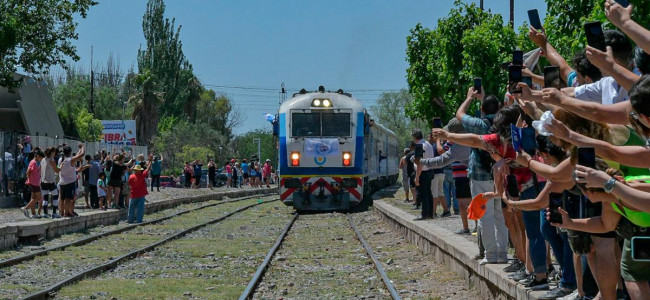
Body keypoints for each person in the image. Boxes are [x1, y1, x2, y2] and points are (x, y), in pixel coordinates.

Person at [412, 129, 435, 220]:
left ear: (414, 137)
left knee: (423, 193)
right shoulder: (428, 144)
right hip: (430, 170)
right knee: (429, 193)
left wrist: (417, 177)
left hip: (423, 172)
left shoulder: (419, 146)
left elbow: (419, 163)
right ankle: (430, 213)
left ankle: (424, 213)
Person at [58, 143, 85, 217]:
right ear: (70, 152)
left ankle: (61, 213)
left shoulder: (61, 160)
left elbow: (76, 156)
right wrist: (82, 147)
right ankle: (67, 213)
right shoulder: (70, 160)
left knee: (62, 198)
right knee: (67, 199)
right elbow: (81, 155)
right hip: (70, 182)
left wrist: (79, 150)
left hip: (62, 181)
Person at [22, 149, 44, 218]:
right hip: (34, 183)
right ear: (37, 156)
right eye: (41, 158)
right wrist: (29, 178)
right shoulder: (33, 162)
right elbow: (28, 171)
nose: (41, 160)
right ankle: (25, 208)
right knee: (38, 197)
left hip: (34, 183)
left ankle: (33, 213)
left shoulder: (33, 162)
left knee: (33, 198)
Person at [127, 159, 151, 223]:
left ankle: (130, 219)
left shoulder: (131, 176)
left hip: (133, 194)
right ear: (139, 170)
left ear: (135, 170)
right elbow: (147, 169)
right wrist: (150, 162)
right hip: (141, 194)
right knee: (140, 208)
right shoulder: (142, 175)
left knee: (131, 208)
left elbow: (128, 184)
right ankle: (139, 220)